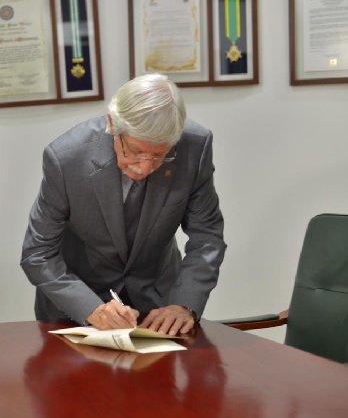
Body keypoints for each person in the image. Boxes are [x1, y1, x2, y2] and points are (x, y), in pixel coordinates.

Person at [20, 73, 225, 335]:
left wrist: (184, 303)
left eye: (159, 156)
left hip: (157, 304)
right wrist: (91, 308)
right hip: (78, 304)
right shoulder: (65, 158)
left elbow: (207, 237)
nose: (145, 168)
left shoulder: (195, 147)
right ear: (112, 125)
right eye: (134, 151)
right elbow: (37, 253)